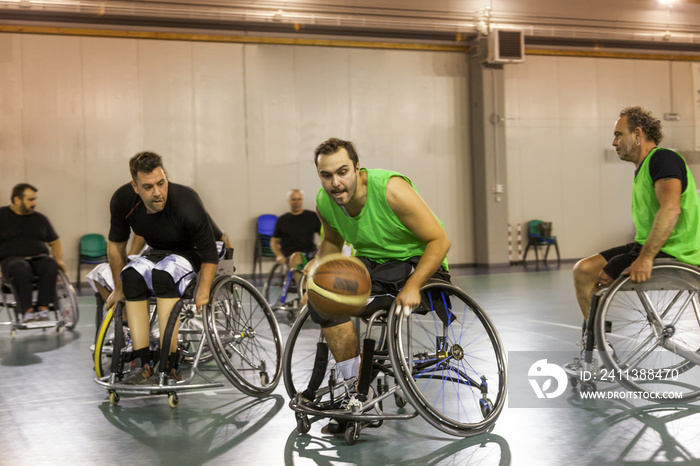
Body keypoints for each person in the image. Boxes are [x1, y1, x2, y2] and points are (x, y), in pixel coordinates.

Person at [306, 137, 451, 434]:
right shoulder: (325, 202)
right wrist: (317, 266)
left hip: (415, 263)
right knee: (323, 299)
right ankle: (357, 392)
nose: (335, 182)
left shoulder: (391, 190)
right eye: (326, 175)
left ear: (358, 169)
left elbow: (440, 241)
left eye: (342, 171)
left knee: (367, 299)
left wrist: (413, 285)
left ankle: (359, 389)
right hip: (371, 266)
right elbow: (333, 241)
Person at [571, 106, 700, 364]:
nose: (614, 142)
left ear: (638, 134)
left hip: (675, 251)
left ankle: (596, 348)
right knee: (583, 270)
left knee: (603, 276)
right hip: (648, 245)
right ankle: (598, 340)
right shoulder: (642, 168)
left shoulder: (663, 159)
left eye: (619, 134)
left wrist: (646, 258)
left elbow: (671, 209)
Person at [104, 151, 221, 384]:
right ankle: (143, 363)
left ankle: (171, 361)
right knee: (131, 276)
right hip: (160, 249)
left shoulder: (186, 201)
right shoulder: (122, 200)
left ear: (166, 176)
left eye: (161, 183)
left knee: (164, 275)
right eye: (148, 187)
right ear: (135, 187)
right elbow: (116, 245)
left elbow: (209, 252)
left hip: (197, 249)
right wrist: (119, 289)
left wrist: (204, 289)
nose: (157, 192)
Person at [0, 183, 65, 324]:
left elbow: (55, 242)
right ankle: (26, 311)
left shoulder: (40, 219)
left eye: (35, 199)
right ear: (17, 200)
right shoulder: (2, 216)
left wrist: (58, 259)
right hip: (11, 260)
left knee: (50, 264)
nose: (34, 203)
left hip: (38, 259)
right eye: (30, 200)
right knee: (20, 267)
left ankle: (43, 308)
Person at [270, 189, 321, 286]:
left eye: (299, 199)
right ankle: (302, 289)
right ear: (289, 201)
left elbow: (324, 236)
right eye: (294, 200)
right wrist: (279, 255)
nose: (297, 202)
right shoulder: (282, 220)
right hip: (290, 255)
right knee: (297, 257)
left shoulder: (312, 217)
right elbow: (274, 242)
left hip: (310, 254)